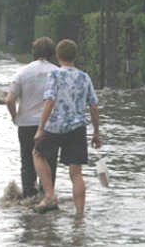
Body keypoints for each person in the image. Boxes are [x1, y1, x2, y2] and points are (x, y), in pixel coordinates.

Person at [32, 39, 102, 215]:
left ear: (57, 56)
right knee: (76, 174)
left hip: (54, 126)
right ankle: (79, 216)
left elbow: (50, 100)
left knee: (38, 154)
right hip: (77, 128)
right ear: (75, 56)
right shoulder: (85, 77)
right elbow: (93, 106)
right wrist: (96, 133)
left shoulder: (55, 75)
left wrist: (41, 127)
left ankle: (49, 195)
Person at [5, 37, 59, 203]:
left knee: (27, 161)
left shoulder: (22, 72)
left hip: (26, 123)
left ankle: (29, 196)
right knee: (49, 161)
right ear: (52, 53)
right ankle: (46, 194)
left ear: (33, 52)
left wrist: (15, 117)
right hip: (50, 124)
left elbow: (9, 100)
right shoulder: (58, 72)